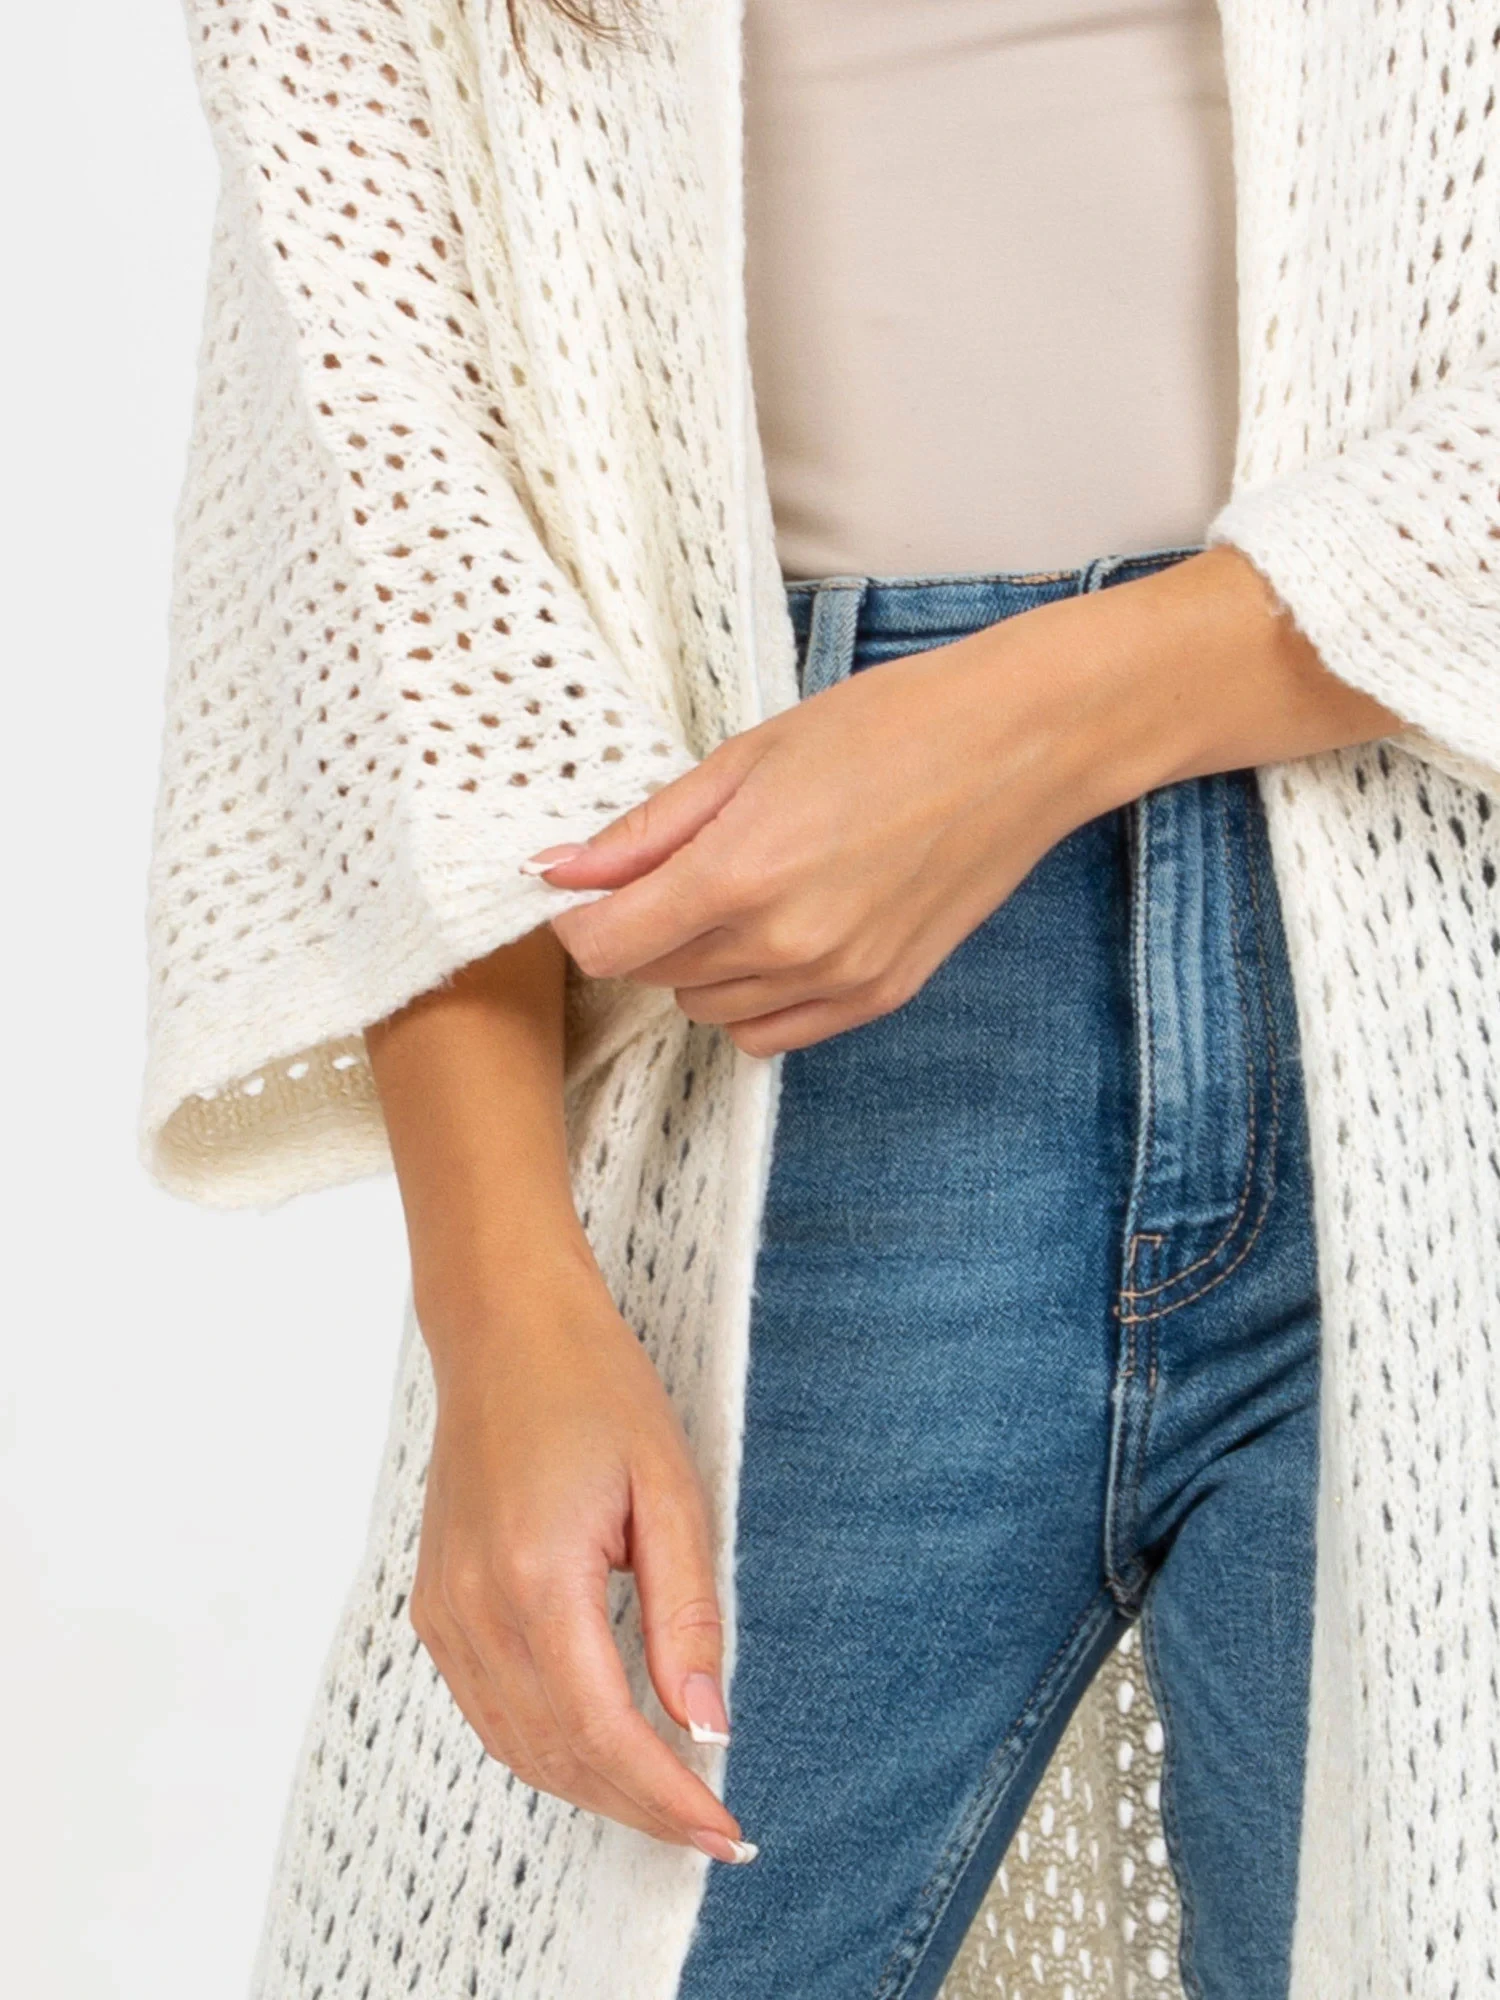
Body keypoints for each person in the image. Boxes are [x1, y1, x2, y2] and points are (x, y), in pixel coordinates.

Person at [142, 2, 1500, 1997]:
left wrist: (1026, 727)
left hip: (1434, 945)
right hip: (770, 994)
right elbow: (378, 510)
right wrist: (500, 1301)